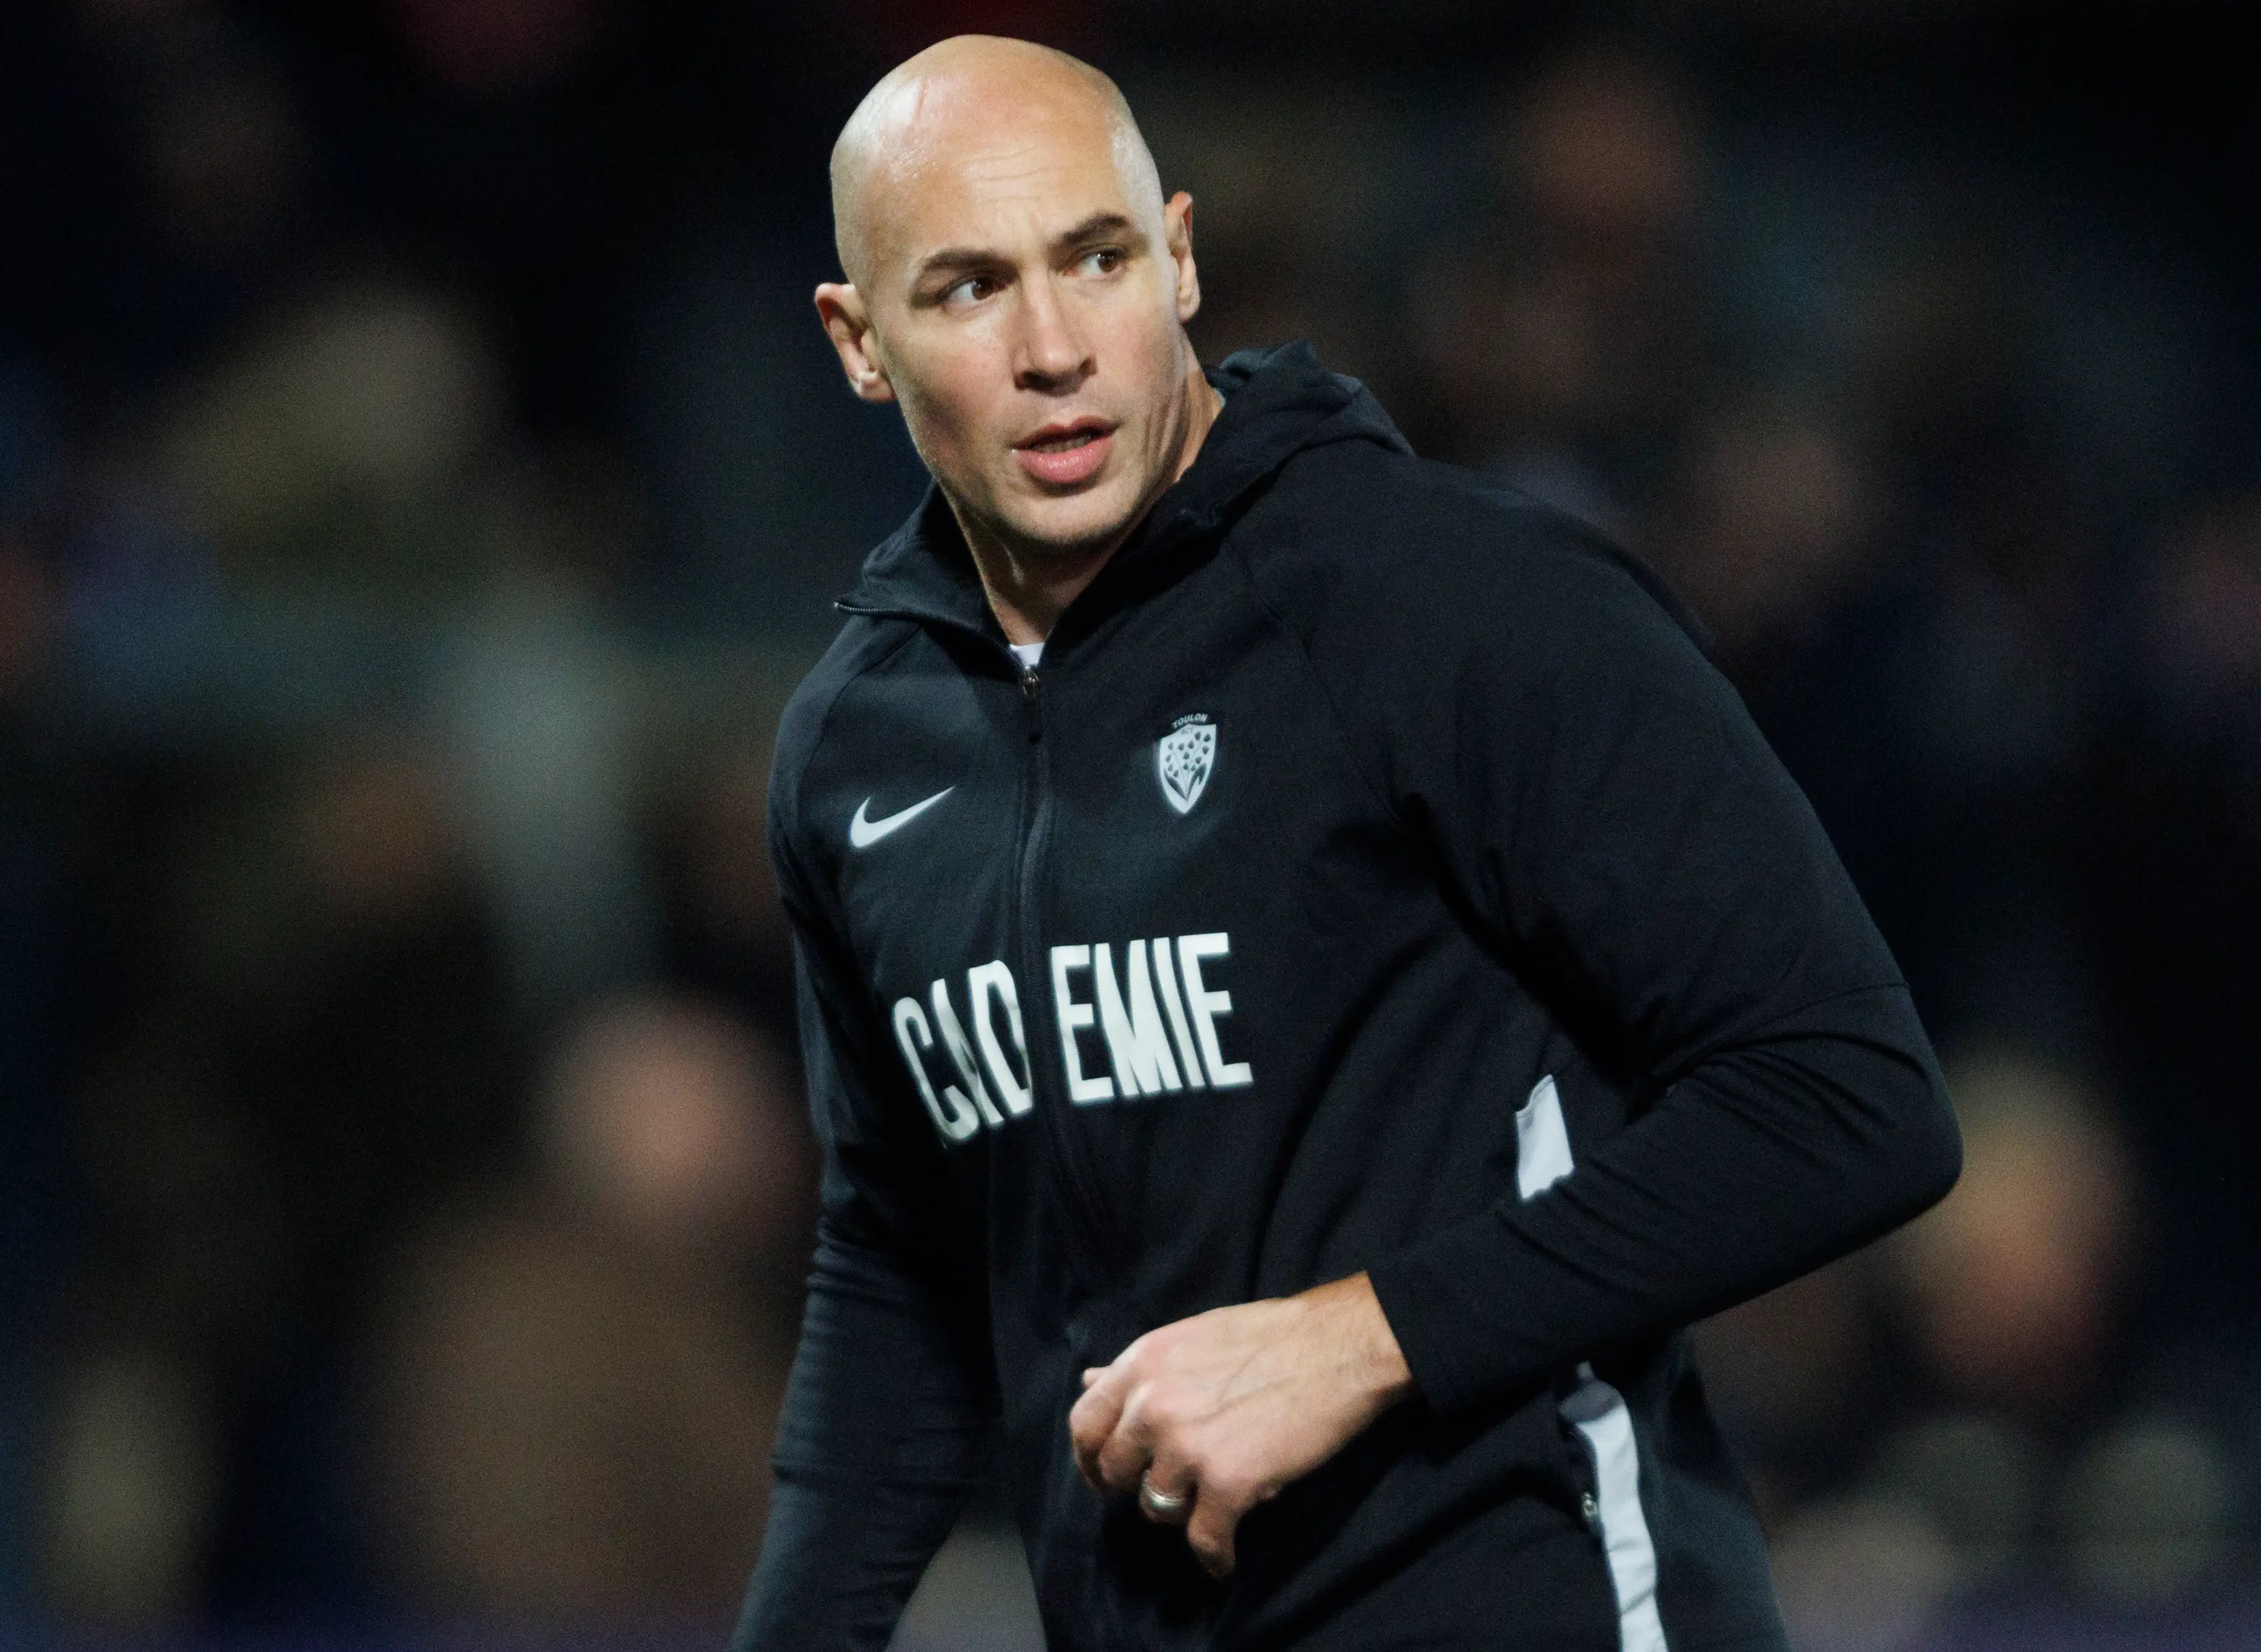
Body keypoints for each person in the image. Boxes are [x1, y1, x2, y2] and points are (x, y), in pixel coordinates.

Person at [734, 35, 1960, 1652]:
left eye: (1093, 260)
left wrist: (1363, 1337)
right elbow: (901, 1265)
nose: (1052, 349)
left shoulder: (1451, 605)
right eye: (965, 290)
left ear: (1177, 258)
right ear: (858, 342)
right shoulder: (854, 745)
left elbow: (1847, 1095)